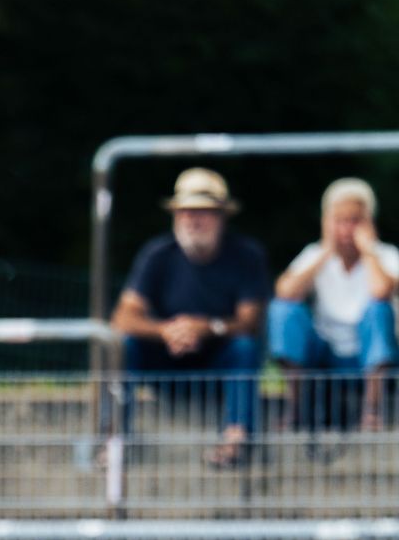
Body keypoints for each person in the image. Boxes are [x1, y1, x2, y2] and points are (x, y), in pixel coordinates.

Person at [112, 168, 270, 467]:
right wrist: (167, 331)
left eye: (204, 212)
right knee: (124, 344)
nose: (193, 219)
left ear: (222, 217)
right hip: (165, 362)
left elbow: (251, 322)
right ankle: (114, 438)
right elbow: (122, 318)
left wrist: (207, 328)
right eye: (186, 211)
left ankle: (237, 438)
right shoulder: (157, 254)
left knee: (245, 347)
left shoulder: (247, 255)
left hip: (218, 364)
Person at [269, 178, 399, 431]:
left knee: (377, 310)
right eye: (340, 220)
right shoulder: (315, 253)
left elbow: (381, 291)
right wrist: (326, 250)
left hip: (366, 351)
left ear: (369, 222)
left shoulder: (386, 255)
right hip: (324, 350)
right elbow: (285, 291)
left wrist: (369, 251)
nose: (347, 229)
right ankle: (295, 408)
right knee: (283, 311)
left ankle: (372, 410)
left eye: (355, 221)